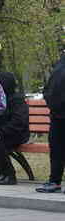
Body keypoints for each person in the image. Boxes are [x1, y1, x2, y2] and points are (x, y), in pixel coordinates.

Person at [0, 72, 29, 185]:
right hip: (1, 133)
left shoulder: (17, 100)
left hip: (17, 134)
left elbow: (18, 122)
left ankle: (10, 175)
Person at [37, 43, 65, 193]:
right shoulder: (61, 62)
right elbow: (51, 85)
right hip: (57, 115)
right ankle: (54, 181)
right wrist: (48, 97)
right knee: (56, 149)